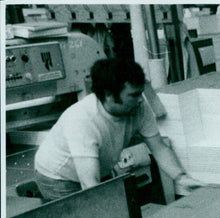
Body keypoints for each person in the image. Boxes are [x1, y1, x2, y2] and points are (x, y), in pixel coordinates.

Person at [34, 58, 203, 202]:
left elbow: (158, 147)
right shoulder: (83, 120)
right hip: (59, 177)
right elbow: (90, 184)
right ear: (109, 95)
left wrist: (181, 177)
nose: (140, 100)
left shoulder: (138, 107)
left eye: (140, 93)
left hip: (96, 168)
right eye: (133, 95)